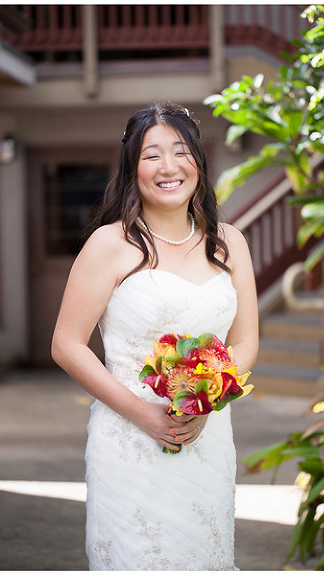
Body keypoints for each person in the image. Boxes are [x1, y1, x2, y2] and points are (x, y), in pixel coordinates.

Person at [51, 102, 258, 570]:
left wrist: (206, 403)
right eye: (152, 156)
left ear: (199, 166)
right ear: (132, 170)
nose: (169, 167)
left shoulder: (229, 242)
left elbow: (244, 344)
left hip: (207, 436)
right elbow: (66, 344)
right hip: (129, 439)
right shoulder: (110, 243)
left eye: (181, 152)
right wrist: (145, 414)